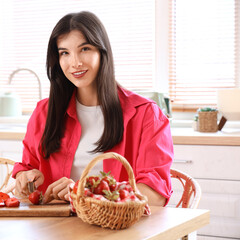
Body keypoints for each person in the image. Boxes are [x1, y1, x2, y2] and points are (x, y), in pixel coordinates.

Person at [12, 11, 173, 206]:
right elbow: (28, 169)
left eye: (85, 49)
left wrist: (84, 193)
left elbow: (154, 195)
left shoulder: (146, 114)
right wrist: (26, 178)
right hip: (54, 228)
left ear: (102, 51)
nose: (75, 62)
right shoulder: (44, 112)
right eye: (65, 53)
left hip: (118, 230)